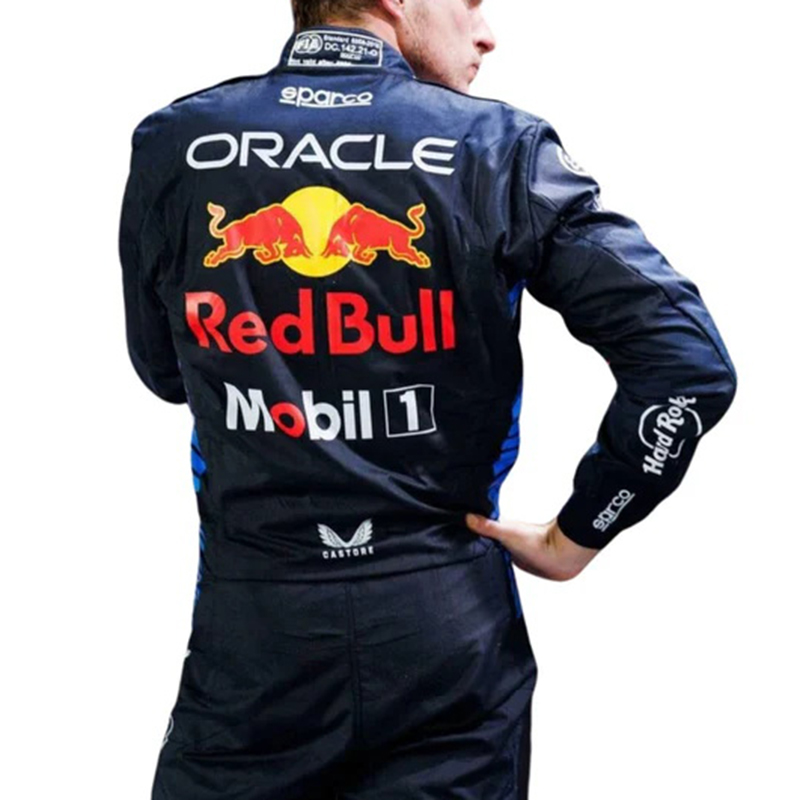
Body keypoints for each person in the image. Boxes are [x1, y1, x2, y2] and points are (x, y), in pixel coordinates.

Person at [118, 1, 737, 797]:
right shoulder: (498, 148)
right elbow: (686, 362)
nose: (487, 33)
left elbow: (163, 371)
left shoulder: (176, 142)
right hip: (446, 627)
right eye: (469, 1)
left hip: (256, 633)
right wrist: (581, 531)